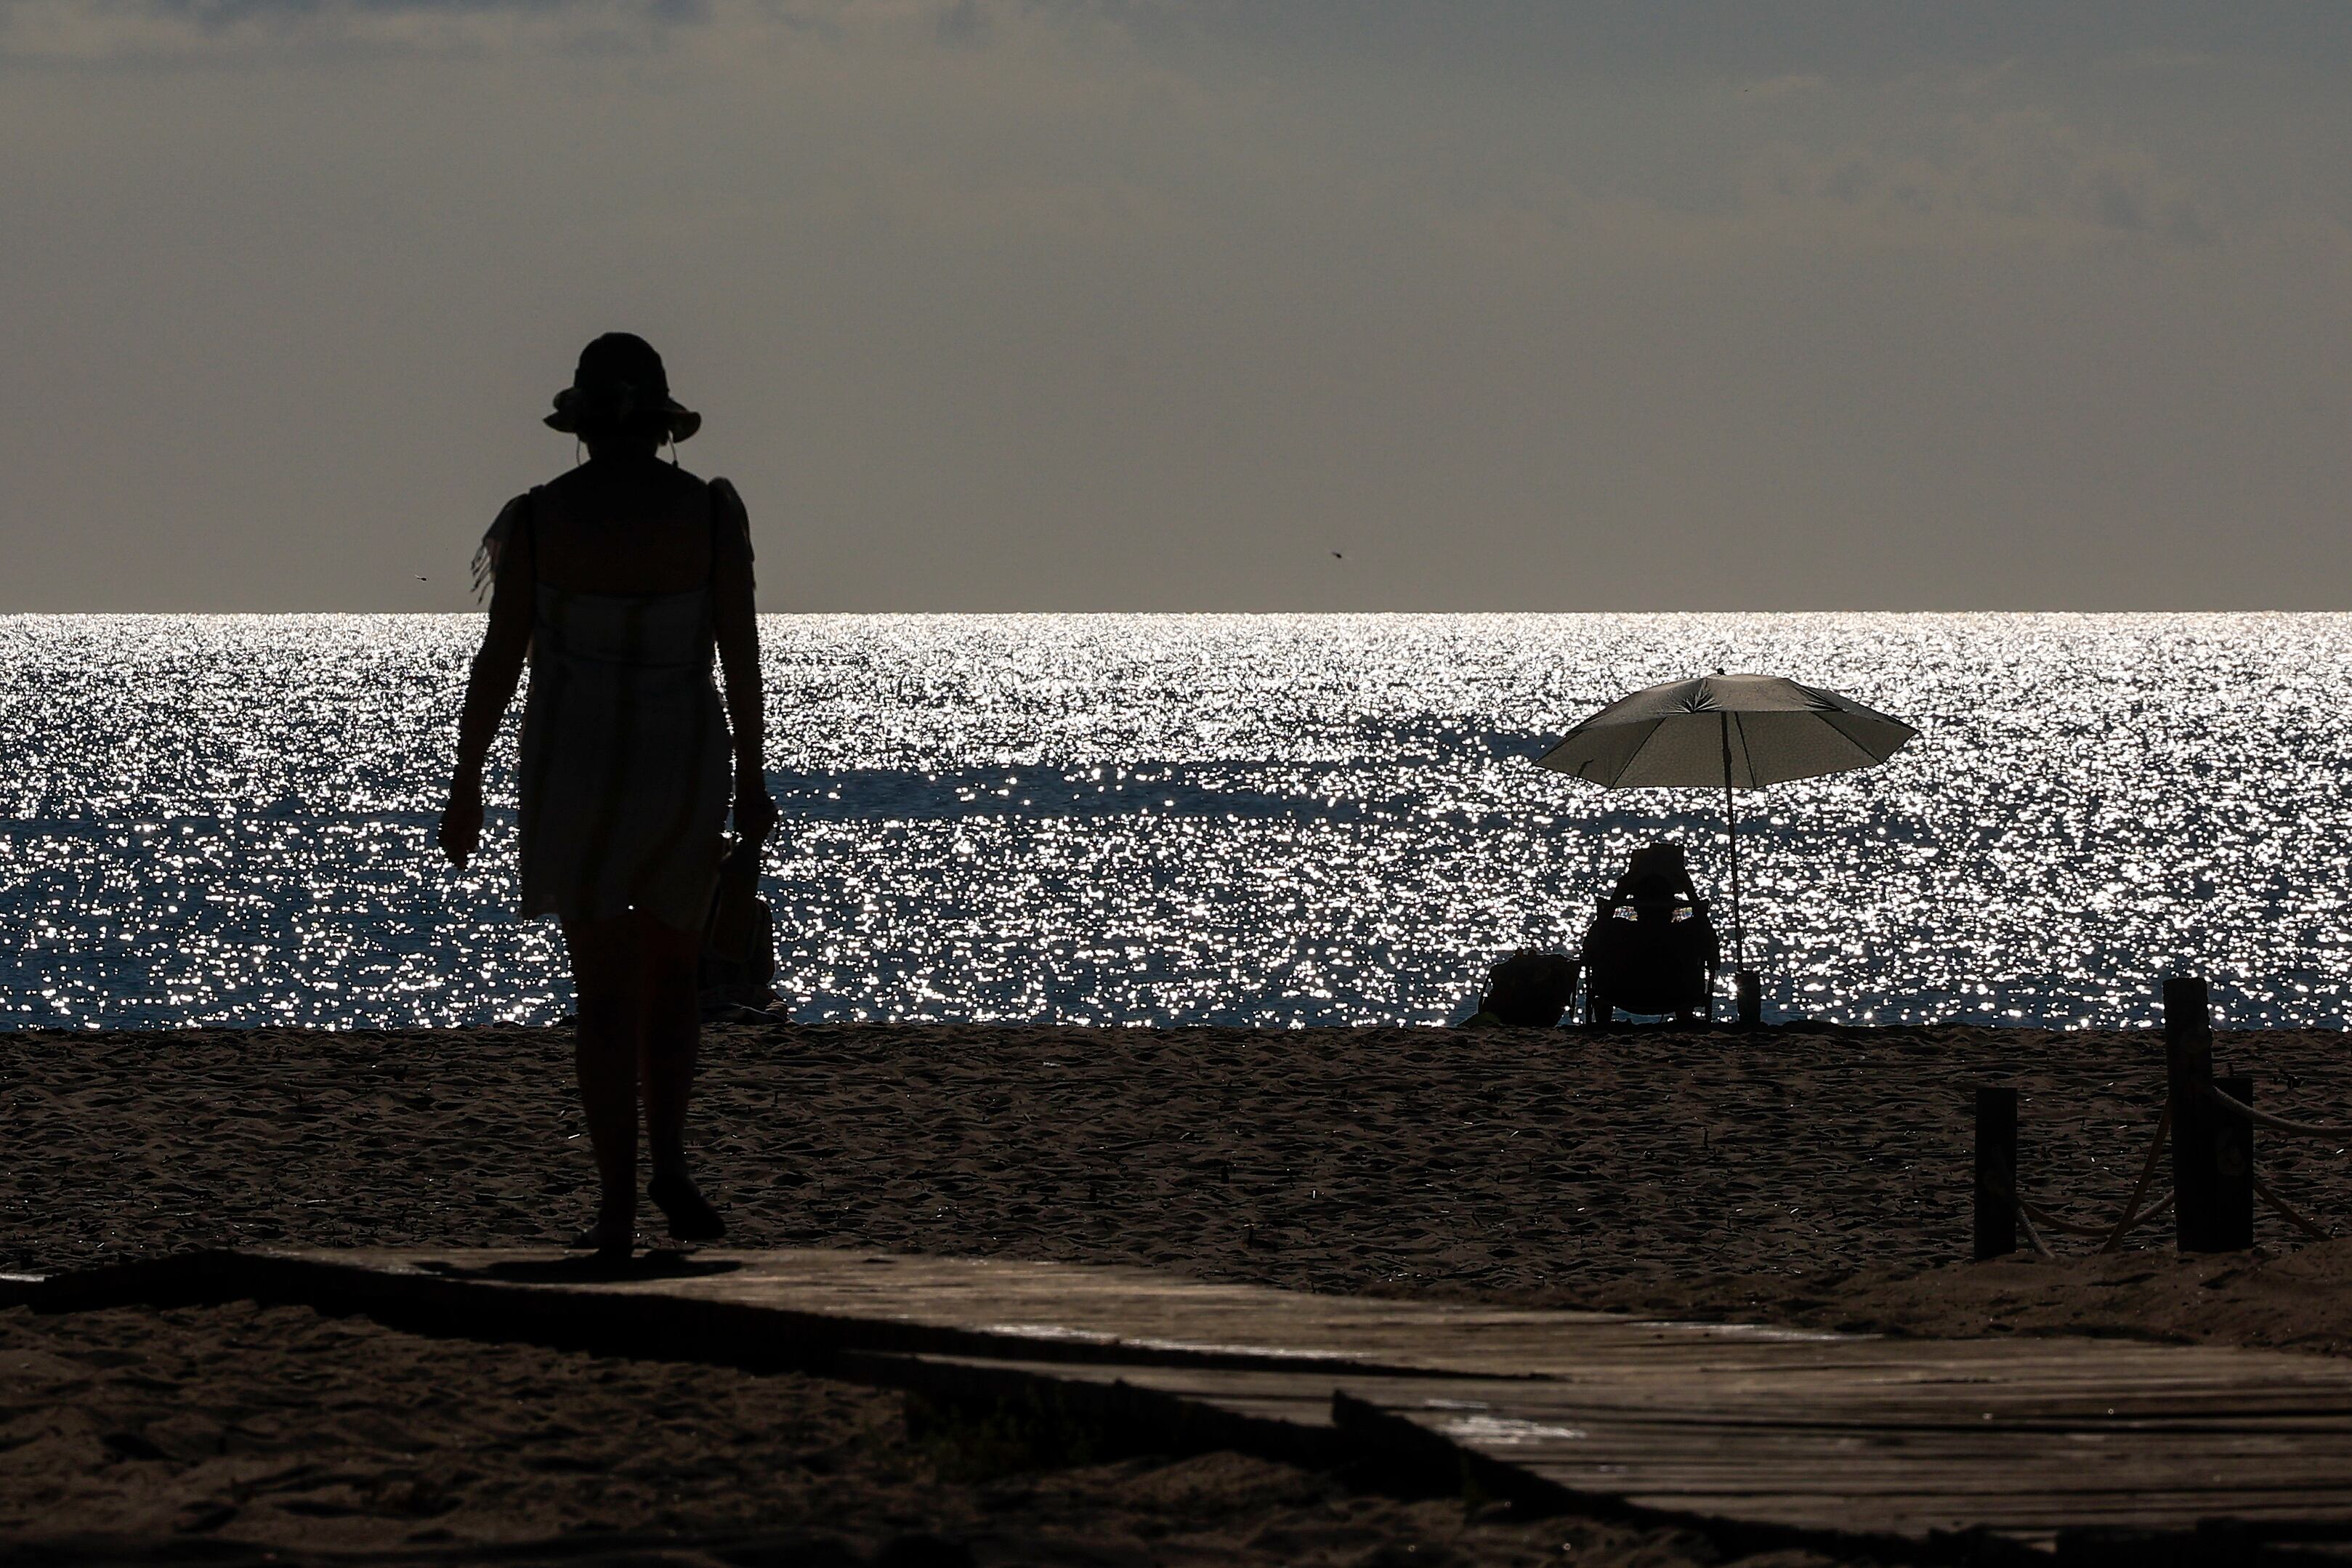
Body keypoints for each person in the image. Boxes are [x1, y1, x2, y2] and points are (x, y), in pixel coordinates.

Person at [438, 333, 777, 1257]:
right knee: (672, 978)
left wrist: (466, 779)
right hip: (680, 761)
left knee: (601, 993)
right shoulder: (707, 514)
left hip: (572, 766)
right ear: (663, 425)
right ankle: (667, 1158)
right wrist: (753, 770)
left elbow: (500, 659)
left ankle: (618, 1201)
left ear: (581, 428)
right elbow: (739, 649)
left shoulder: (543, 519)